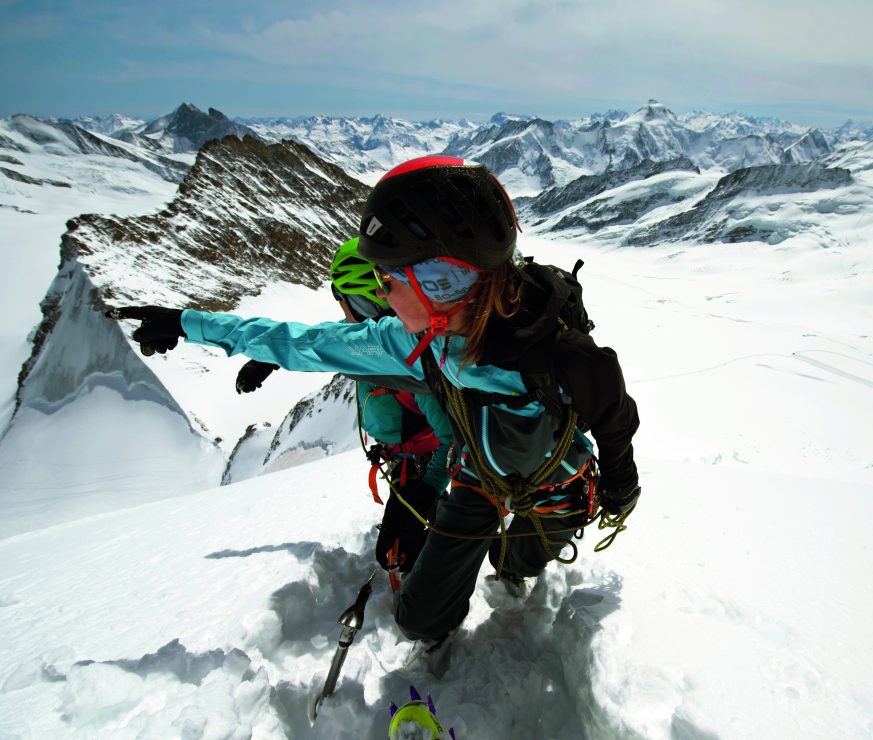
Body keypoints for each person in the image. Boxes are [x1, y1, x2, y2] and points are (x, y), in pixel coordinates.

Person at [110, 155, 641, 646]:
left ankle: (509, 559)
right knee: (419, 620)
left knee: (514, 563)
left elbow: (616, 421)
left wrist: (620, 486)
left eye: (388, 280)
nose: (381, 296)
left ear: (439, 283)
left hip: (557, 485)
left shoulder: (564, 356)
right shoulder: (414, 341)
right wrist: (188, 323)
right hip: (479, 480)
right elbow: (307, 342)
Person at [237, 237, 455, 579]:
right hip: (407, 460)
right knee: (401, 548)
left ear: (360, 299)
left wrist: (425, 495)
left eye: (342, 298)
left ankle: (435, 581)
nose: (341, 309)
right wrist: (272, 358)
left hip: (424, 466)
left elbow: (451, 441)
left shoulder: (409, 364)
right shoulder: (376, 340)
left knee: (402, 554)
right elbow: (327, 338)